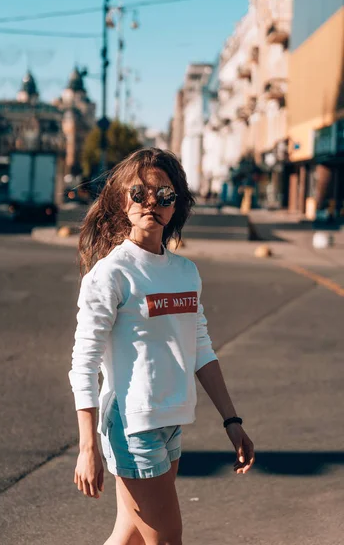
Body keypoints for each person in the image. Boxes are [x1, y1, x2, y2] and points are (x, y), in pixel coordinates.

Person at [69, 148, 255, 545]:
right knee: (167, 538)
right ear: (123, 200)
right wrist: (88, 447)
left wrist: (232, 421)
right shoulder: (112, 274)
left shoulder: (186, 272)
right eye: (140, 193)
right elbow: (83, 364)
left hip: (172, 419)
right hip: (133, 424)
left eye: (165, 195)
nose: (152, 202)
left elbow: (200, 348)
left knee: (131, 534)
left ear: (177, 205)